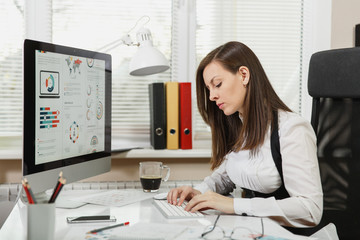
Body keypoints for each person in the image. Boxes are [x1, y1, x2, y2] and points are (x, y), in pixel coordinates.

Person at [167, 41, 323, 228]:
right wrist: (198, 192)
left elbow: (310, 208)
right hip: (250, 229)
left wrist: (234, 205)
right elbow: (225, 176)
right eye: (209, 89)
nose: (211, 96)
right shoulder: (240, 125)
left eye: (217, 84)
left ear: (243, 75)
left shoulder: (292, 129)